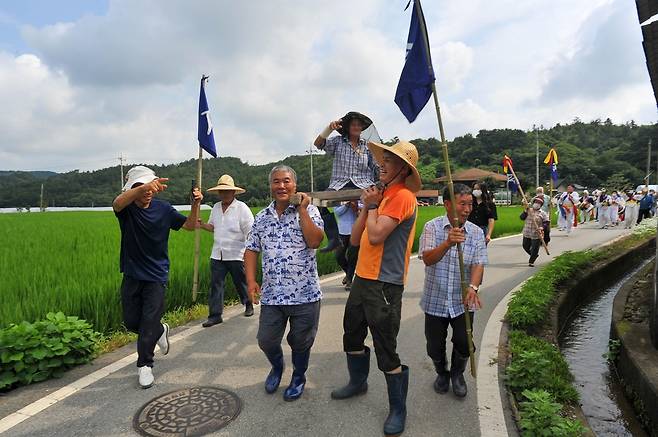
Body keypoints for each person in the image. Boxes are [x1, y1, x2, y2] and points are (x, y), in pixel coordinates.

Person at [331, 140, 420, 437]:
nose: (382, 164)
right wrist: (368, 206)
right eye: (383, 159)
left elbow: (379, 234)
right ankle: (358, 382)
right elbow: (356, 240)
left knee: (385, 344)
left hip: (385, 282)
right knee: (352, 331)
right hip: (363, 277)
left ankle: (398, 408)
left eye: (390, 161)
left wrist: (371, 206)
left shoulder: (403, 196)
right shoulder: (381, 197)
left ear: (404, 169)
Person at [112, 165, 203, 389]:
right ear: (131, 188)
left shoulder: (163, 209)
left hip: (156, 274)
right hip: (132, 273)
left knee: (147, 323)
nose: (148, 191)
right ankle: (160, 330)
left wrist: (195, 205)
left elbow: (190, 226)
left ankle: (145, 365)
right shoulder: (127, 210)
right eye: (141, 186)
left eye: (150, 186)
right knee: (132, 321)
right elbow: (117, 203)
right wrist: (141, 188)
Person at [244, 165, 324, 402]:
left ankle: (298, 377)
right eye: (276, 182)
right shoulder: (261, 217)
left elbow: (315, 241)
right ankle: (277, 367)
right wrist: (250, 281)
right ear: (271, 186)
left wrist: (302, 211)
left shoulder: (310, 211)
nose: (281, 186)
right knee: (266, 340)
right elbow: (251, 249)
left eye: (286, 181)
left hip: (305, 295)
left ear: (295, 185)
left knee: (301, 342)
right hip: (272, 295)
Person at [419, 183, 486, 401]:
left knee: (464, 342)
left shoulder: (476, 233)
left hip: (462, 301)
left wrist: (473, 287)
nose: (467, 209)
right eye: (462, 204)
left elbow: (478, 264)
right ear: (448, 204)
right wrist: (448, 243)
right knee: (434, 346)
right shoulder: (432, 227)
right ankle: (442, 372)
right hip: (435, 299)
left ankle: (457, 375)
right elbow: (427, 259)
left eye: (470, 204)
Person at [313, 112, 379, 252]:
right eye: (353, 124)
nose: (356, 127)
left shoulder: (367, 146)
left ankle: (374, 235)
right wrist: (328, 129)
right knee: (317, 202)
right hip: (340, 184)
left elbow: (376, 166)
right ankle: (333, 238)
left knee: (376, 204)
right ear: (348, 127)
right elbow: (318, 144)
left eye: (359, 125)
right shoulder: (338, 141)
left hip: (363, 183)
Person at [197, 174, 254, 326]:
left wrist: (250, 252)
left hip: (236, 253)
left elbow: (250, 231)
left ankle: (248, 303)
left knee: (240, 282)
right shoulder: (215, 207)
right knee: (216, 284)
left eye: (227, 191)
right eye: (222, 191)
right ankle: (215, 315)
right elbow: (213, 227)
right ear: (219, 193)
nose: (225, 194)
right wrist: (202, 224)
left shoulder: (241, 208)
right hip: (217, 254)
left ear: (233, 192)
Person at [334, 200, 359, 290]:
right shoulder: (339, 198)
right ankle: (349, 274)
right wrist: (347, 205)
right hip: (342, 231)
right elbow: (337, 212)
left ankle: (349, 280)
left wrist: (355, 206)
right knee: (339, 255)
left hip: (355, 231)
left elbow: (363, 207)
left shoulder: (358, 197)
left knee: (352, 256)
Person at [520, 196, 548, 267]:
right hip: (527, 232)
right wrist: (525, 211)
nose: (537, 204)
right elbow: (522, 218)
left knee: (535, 248)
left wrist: (542, 227)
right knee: (525, 246)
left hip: (536, 233)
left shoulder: (543, 213)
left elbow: (546, 222)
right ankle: (534, 255)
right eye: (536, 202)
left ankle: (531, 261)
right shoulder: (528, 210)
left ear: (541, 205)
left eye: (539, 203)